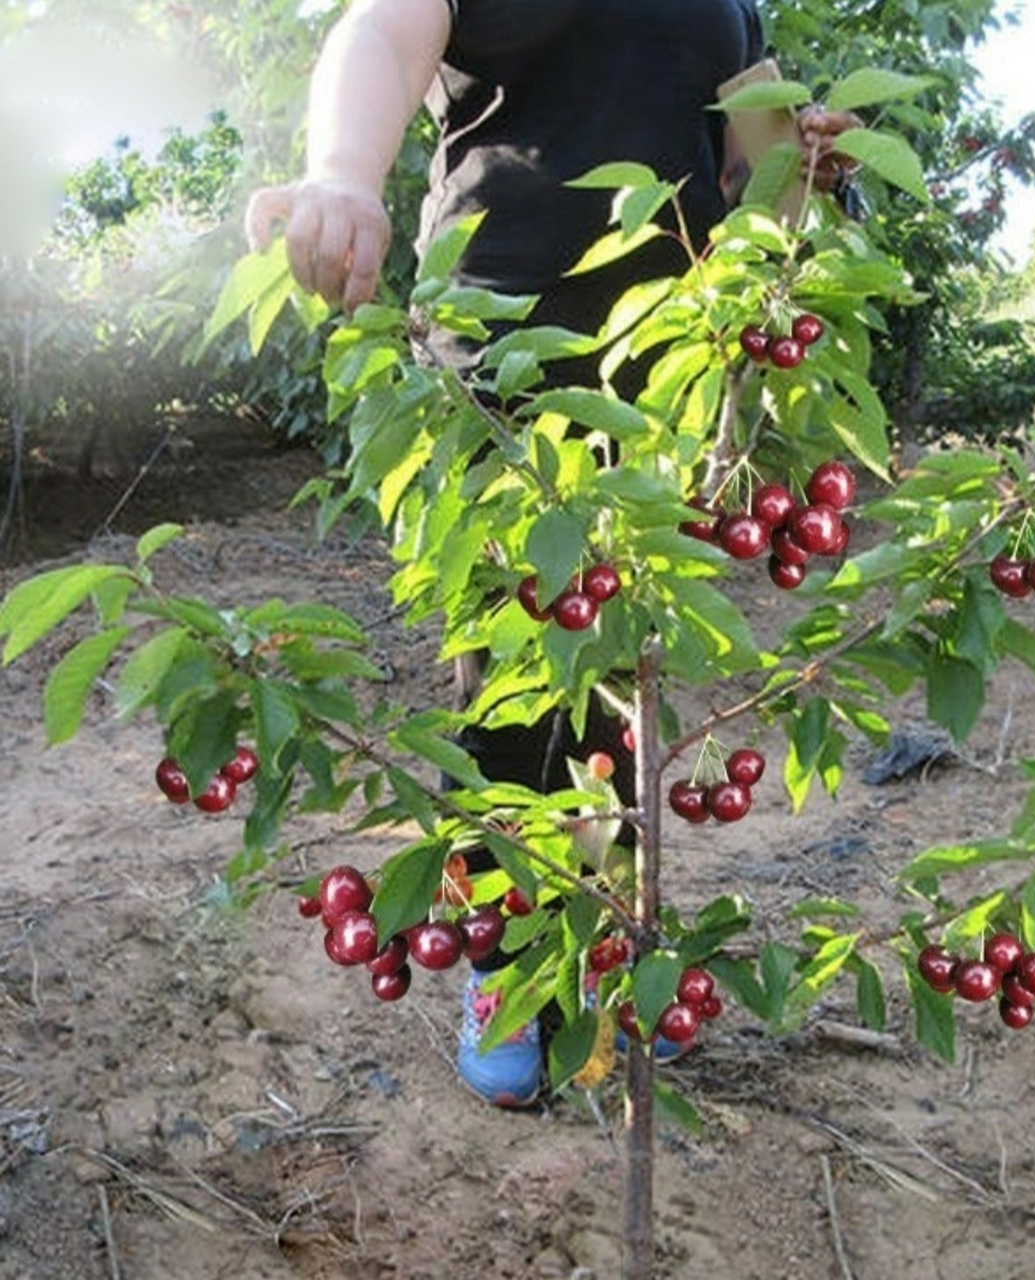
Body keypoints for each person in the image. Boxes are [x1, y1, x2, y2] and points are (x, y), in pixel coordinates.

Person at [246, 0, 858, 1108]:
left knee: (621, 688)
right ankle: (505, 967)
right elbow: (381, 37)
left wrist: (808, 170)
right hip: (497, 367)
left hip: (667, 382)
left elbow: (752, 151)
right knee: (511, 696)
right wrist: (340, 171)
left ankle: (612, 953)